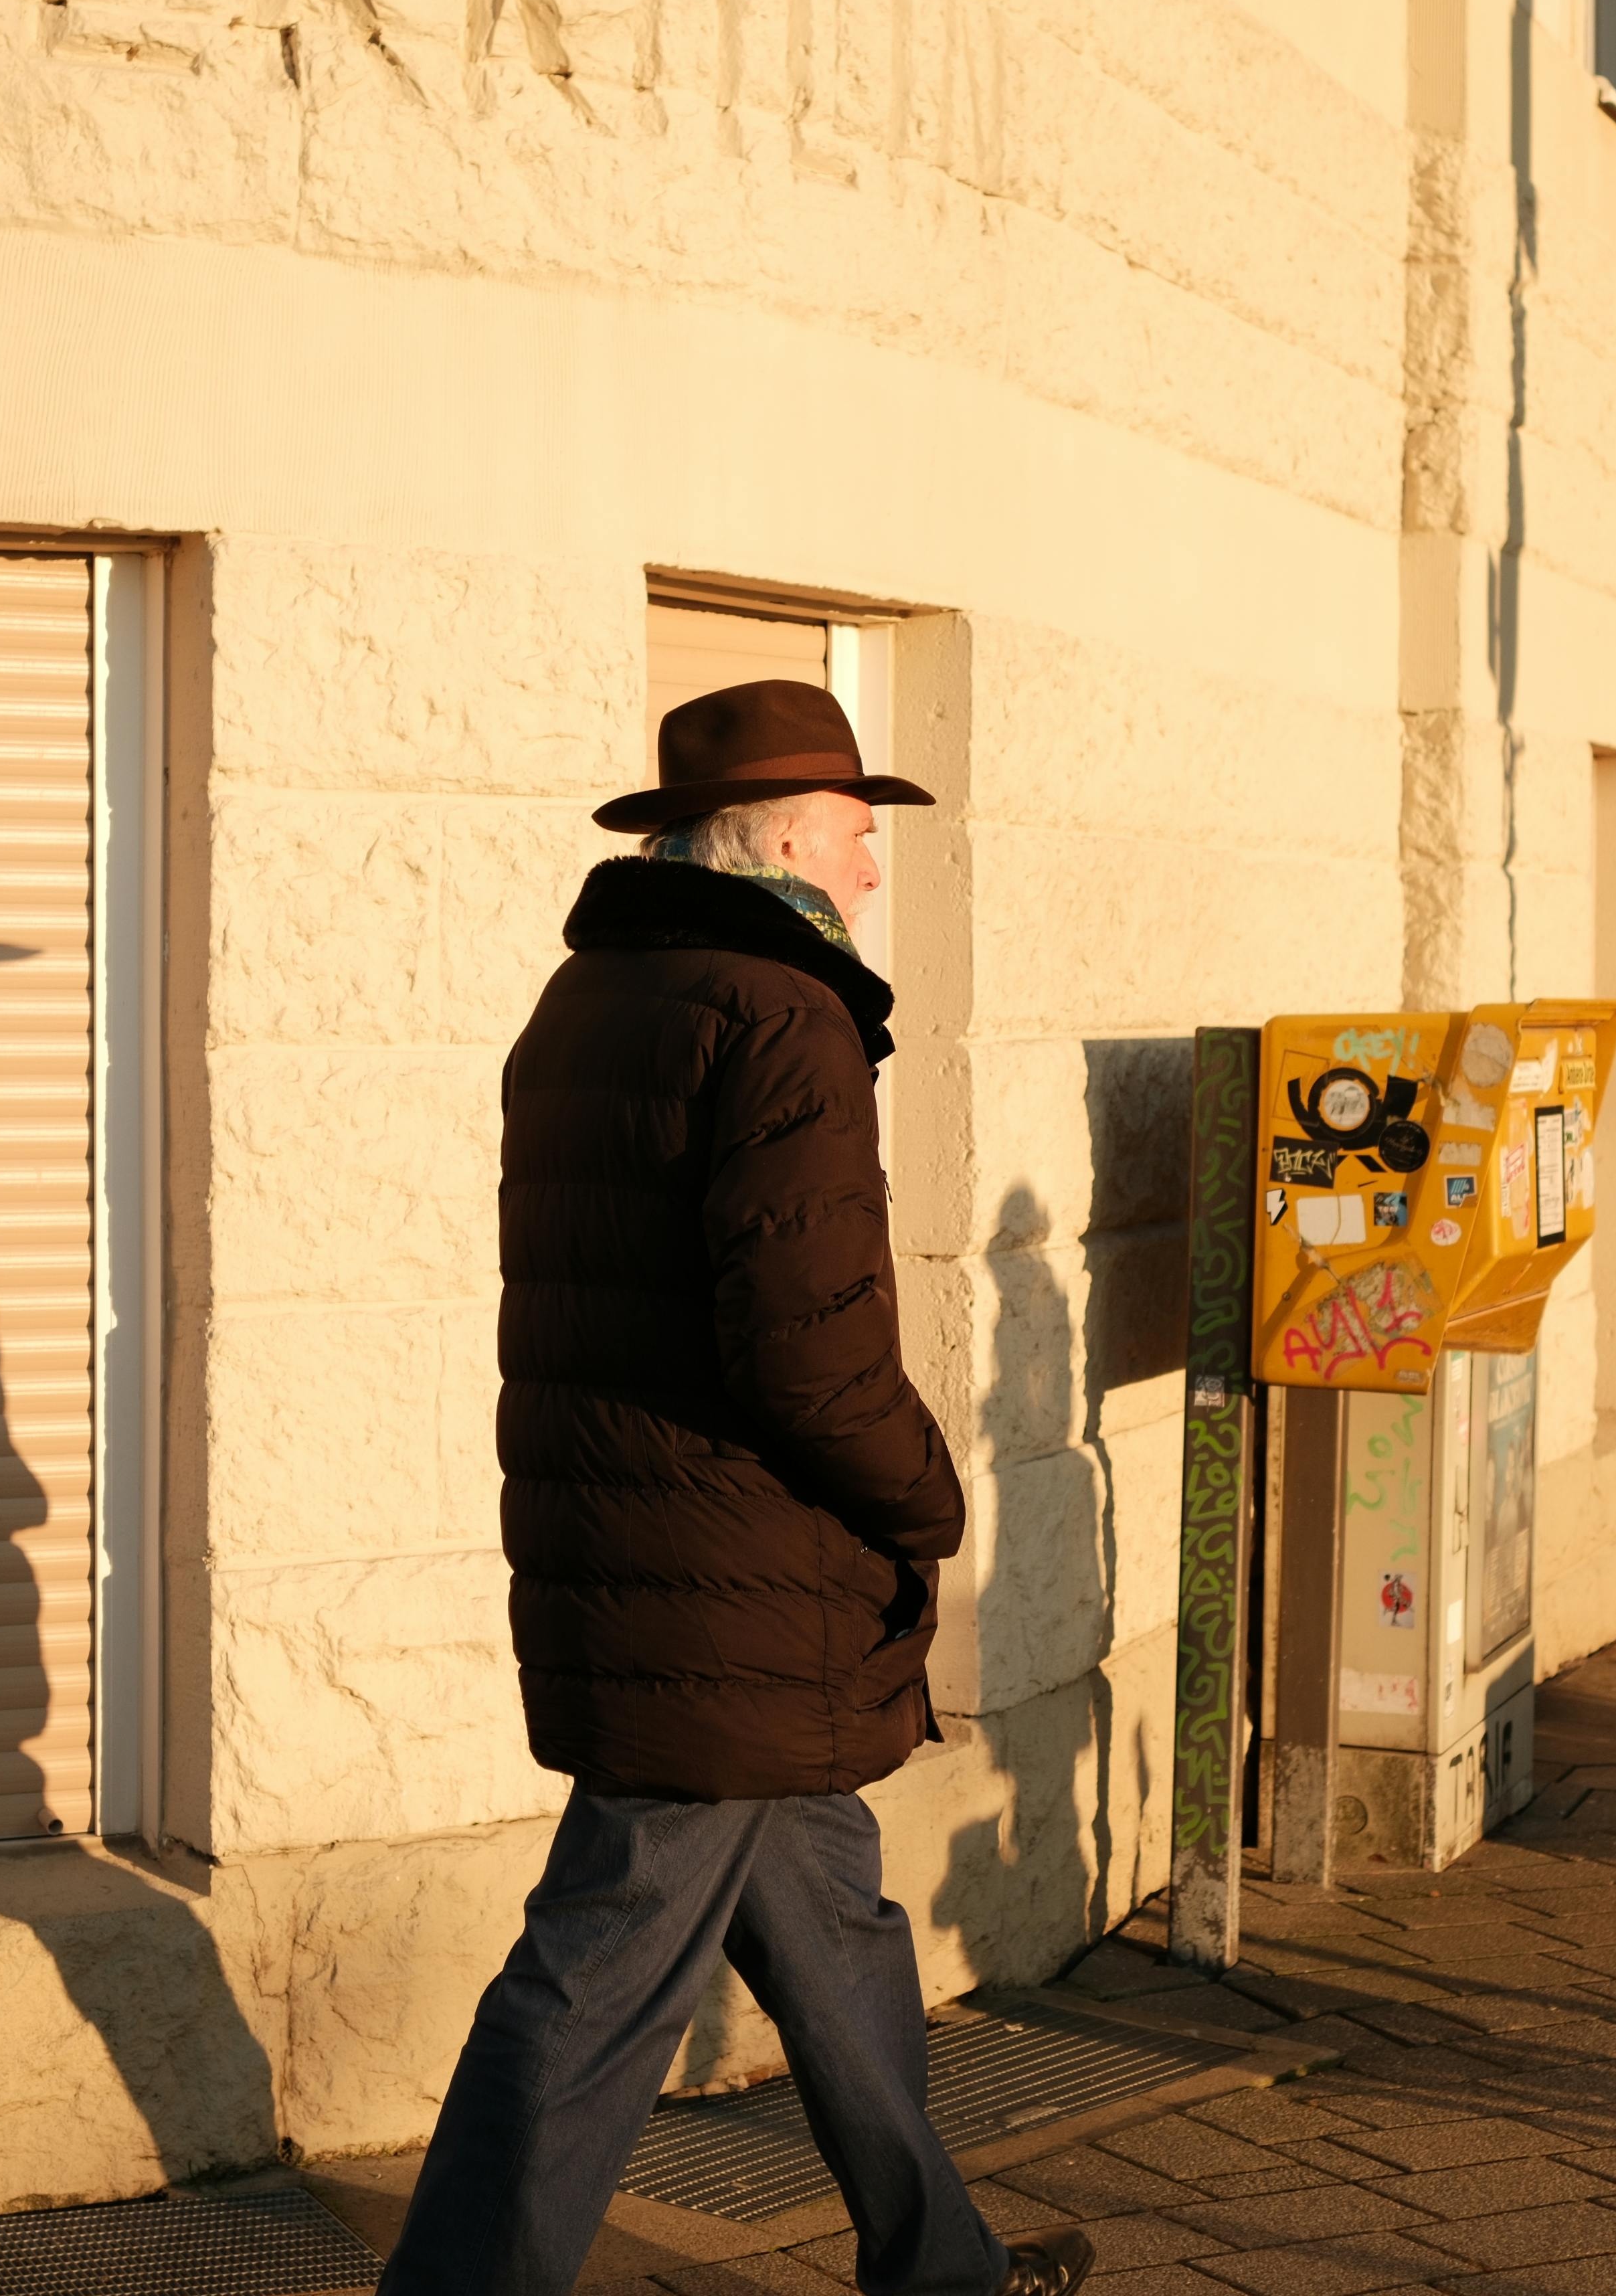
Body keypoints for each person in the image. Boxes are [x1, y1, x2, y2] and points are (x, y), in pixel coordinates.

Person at [376, 681, 1093, 2296]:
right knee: (593, 1982)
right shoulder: (783, 1014)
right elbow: (808, 1354)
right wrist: (926, 1501)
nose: (869, 866)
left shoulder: (592, 997)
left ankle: (941, 2263)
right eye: (854, 833)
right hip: (727, 1592)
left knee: (830, 1933)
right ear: (775, 837)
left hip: (657, 1562)